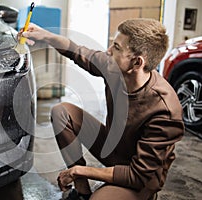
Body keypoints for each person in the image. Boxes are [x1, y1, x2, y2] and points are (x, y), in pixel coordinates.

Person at [20, 18, 184, 200]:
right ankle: (81, 192)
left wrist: (80, 170)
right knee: (62, 112)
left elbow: (138, 176)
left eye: (117, 47)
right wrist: (46, 35)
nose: (108, 51)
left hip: (140, 177)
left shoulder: (165, 111)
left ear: (137, 63)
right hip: (114, 149)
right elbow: (78, 52)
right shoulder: (114, 68)